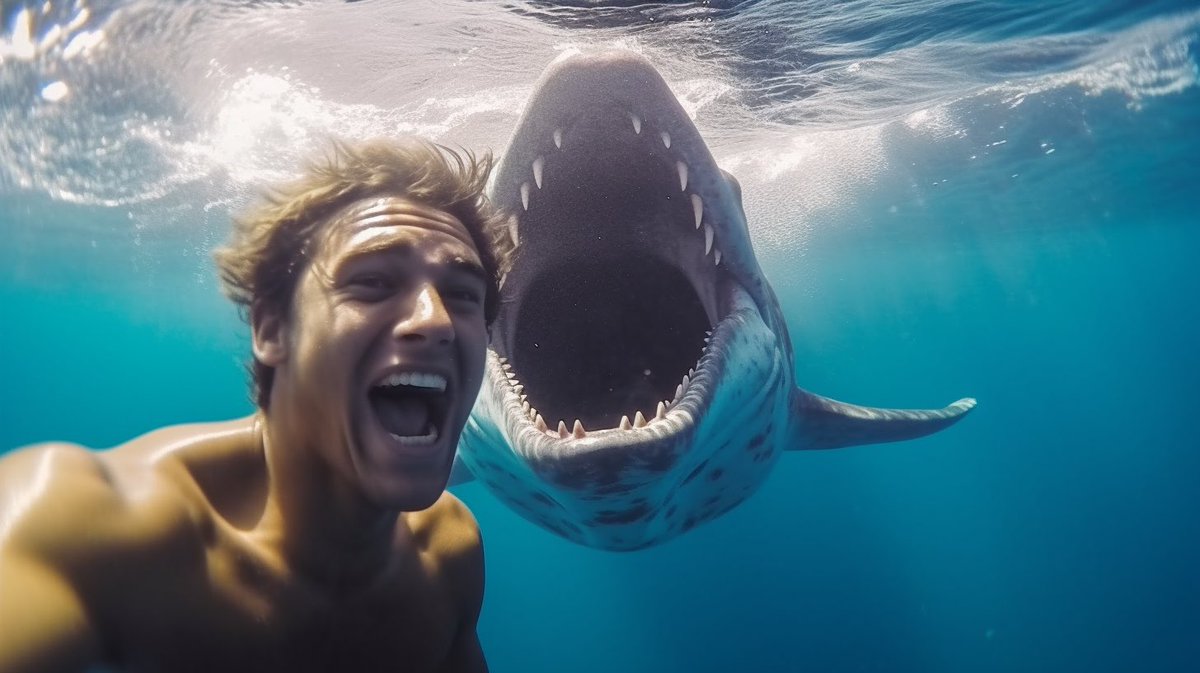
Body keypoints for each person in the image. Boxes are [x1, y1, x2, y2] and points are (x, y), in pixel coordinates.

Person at [0, 137, 513, 673]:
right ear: (271, 328)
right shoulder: (80, 525)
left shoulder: (449, 553)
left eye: (463, 295)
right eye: (374, 282)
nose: (435, 320)